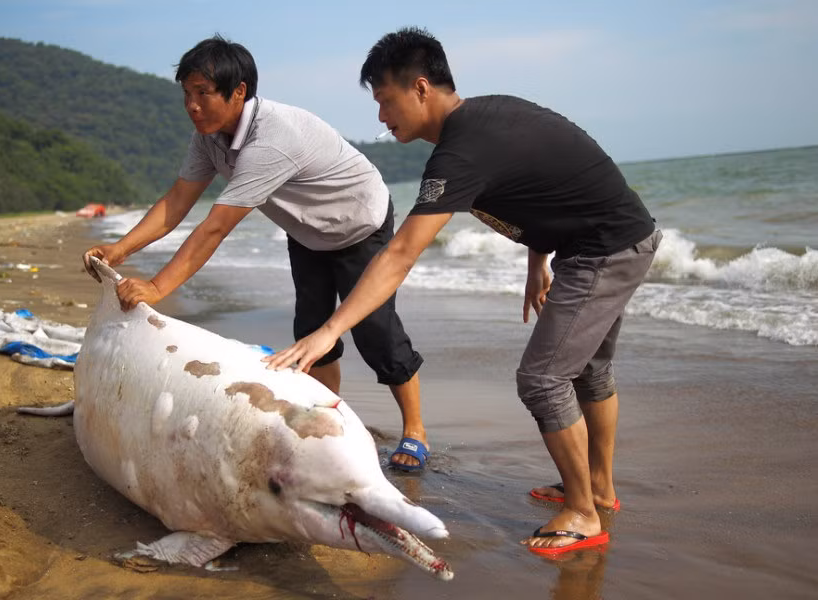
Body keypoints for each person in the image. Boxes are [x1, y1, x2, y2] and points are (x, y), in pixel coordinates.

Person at [264, 27, 661, 554]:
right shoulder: (487, 120)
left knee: (543, 379)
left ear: (420, 88)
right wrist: (537, 260)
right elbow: (548, 186)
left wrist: (330, 330)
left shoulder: (461, 152)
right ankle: (599, 489)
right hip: (613, 238)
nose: (381, 116)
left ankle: (584, 514)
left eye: (385, 100)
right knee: (588, 370)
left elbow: (400, 254)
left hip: (604, 249)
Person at [82, 35, 431, 471]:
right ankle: (332, 421)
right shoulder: (209, 137)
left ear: (239, 92)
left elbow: (215, 227)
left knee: (376, 333)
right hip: (307, 231)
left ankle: (416, 430)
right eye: (187, 94)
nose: (192, 106)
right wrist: (119, 249)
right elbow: (177, 201)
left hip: (359, 223)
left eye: (203, 93)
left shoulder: (271, 138)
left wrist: (156, 287)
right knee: (311, 331)